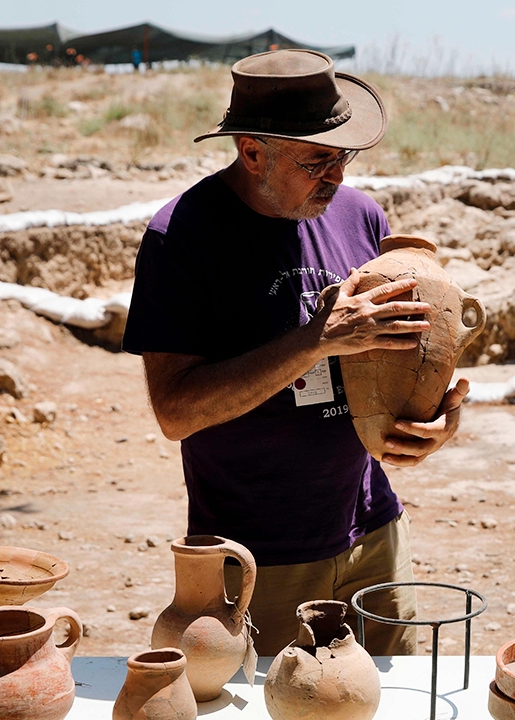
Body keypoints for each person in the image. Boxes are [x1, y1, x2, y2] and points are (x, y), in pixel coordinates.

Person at [122, 50, 467, 657]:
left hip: (374, 531)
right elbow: (175, 412)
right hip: (258, 555)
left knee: (395, 695)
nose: (336, 178)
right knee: (272, 699)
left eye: (343, 157)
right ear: (252, 152)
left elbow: (397, 356)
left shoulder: (360, 217)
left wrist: (438, 421)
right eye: (316, 161)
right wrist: (316, 340)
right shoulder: (182, 236)